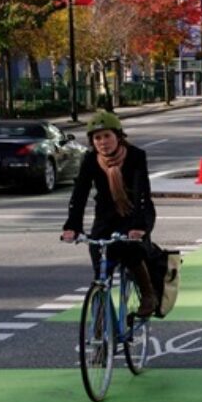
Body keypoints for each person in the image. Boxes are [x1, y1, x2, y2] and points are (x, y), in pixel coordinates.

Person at [61, 111, 158, 318]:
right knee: (99, 254)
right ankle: (101, 317)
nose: (103, 142)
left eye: (107, 136)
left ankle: (148, 294)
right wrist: (72, 226)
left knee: (130, 249)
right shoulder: (90, 160)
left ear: (118, 136)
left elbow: (142, 191)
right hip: (106, 215)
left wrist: (138, 226)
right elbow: (80, 194)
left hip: (136, 212)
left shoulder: (135, 156)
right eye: (97, 138)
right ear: (92, 141)